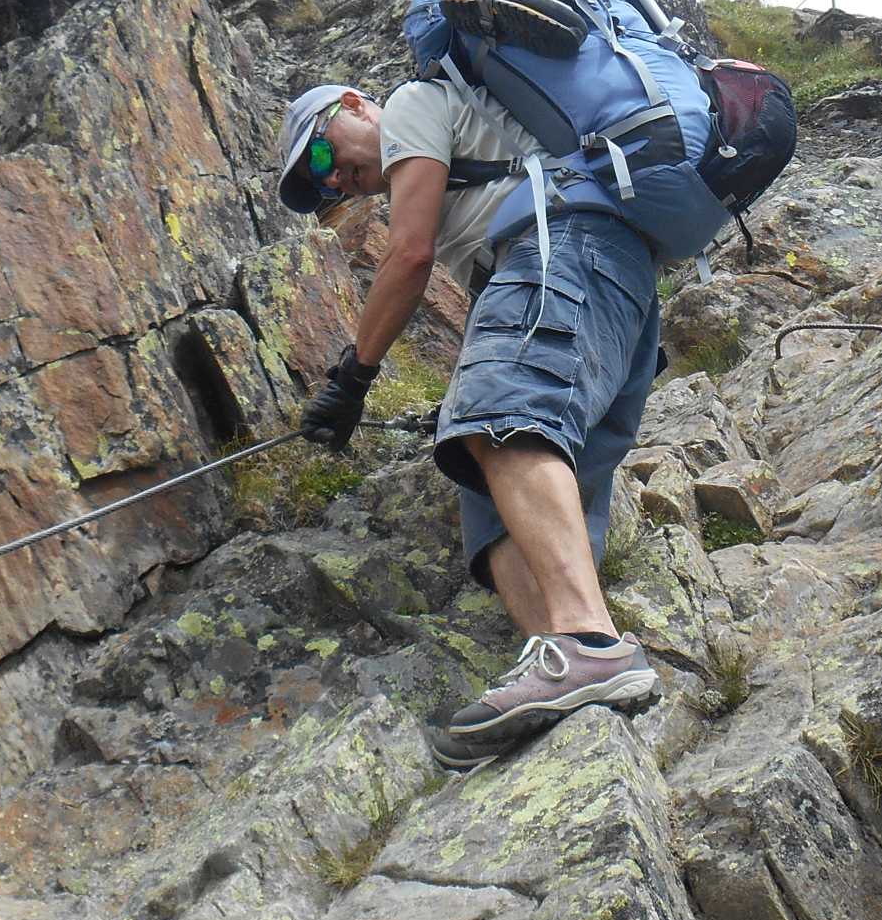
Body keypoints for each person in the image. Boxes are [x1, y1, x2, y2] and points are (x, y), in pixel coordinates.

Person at [273, 78, 661, 774]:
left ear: (354, 104)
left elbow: (409, 255)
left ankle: (589, 642)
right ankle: (562, 668)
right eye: (319, 184)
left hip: (564, 247)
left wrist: (353, 378)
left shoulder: (414, 103)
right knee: (484, 485)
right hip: (593, 276)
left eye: (323, 157)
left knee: (503, 419)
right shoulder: (448, 160)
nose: (334, 181)